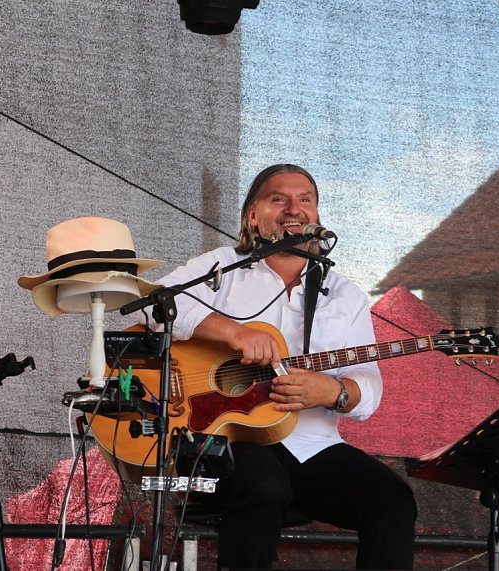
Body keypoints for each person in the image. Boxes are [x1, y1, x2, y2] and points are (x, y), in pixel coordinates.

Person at [144, 164, 417, 570]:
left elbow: (369, 384)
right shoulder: (222, 268)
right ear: (253, 215)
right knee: (264, 486)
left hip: (312, 447)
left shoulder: (344, 295)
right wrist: (231, 333)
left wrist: (335, 392)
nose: (294, 209)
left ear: (318, 216)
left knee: (393, 502)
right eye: (279, 199)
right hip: (227, 441)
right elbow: (153, 306)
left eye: (305, 199)